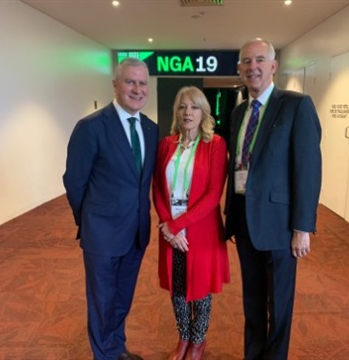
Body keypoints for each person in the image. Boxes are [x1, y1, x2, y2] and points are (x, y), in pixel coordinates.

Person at [224, 39, 322, 360]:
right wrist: (232, 218)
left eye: (260, 60)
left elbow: (307, 170)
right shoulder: (238, 112)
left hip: (280, 227)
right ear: (240, 69)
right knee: (252, 302)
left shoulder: (296, 105)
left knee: (279, 307)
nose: (253, 67)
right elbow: (237, 165)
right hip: (245, 223)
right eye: (246, 62)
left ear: (273, 66)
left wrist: (302, 227)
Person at [63, 58, 159, 360]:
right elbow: (75, 181)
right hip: (102, 234)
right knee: (102, 302)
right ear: (115, 84)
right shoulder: (91, 127)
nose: (137, 89)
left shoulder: (151, 129)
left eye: (143, 83)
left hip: (136, 233)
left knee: (121, 299)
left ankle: (116, 349)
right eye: (130, 82)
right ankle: (104, 355)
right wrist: (90, 220)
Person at [153, 86, 230, 360]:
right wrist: (167, 225)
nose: (188, 113)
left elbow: (213, 195)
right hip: (171, 230)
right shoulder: (166, 145)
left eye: (194, 107)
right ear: (176, 111)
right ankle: (183, 338)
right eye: (183, 107)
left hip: (201, 229)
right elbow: (158, 190)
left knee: (199, 288)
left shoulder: (215, 145)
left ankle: (198, 340)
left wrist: (178, 225)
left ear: (204, 112)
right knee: (178, 286)